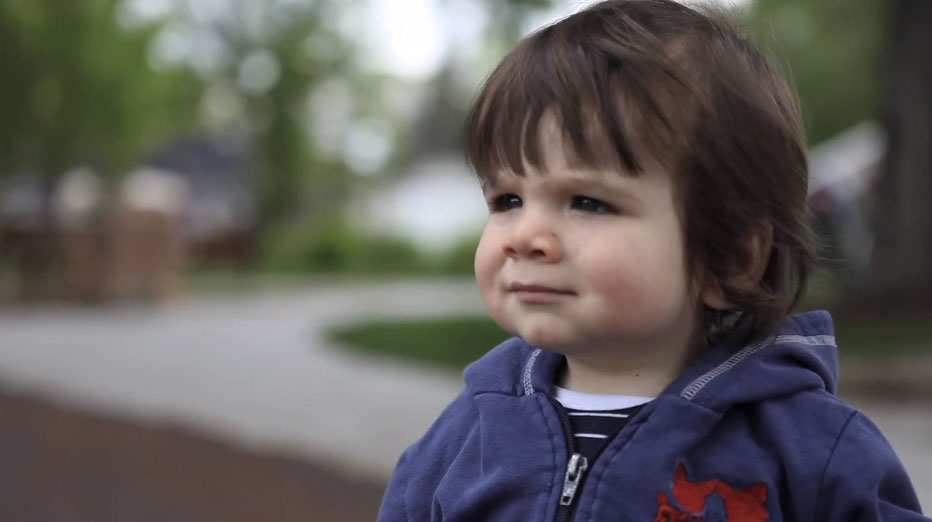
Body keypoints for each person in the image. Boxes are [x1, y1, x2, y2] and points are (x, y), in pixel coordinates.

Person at [378, 1, 929, 520]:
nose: (525, 236)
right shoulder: (465, 436)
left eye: (587, 202)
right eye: (507, 201)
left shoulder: (812, 453)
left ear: (731, 258)